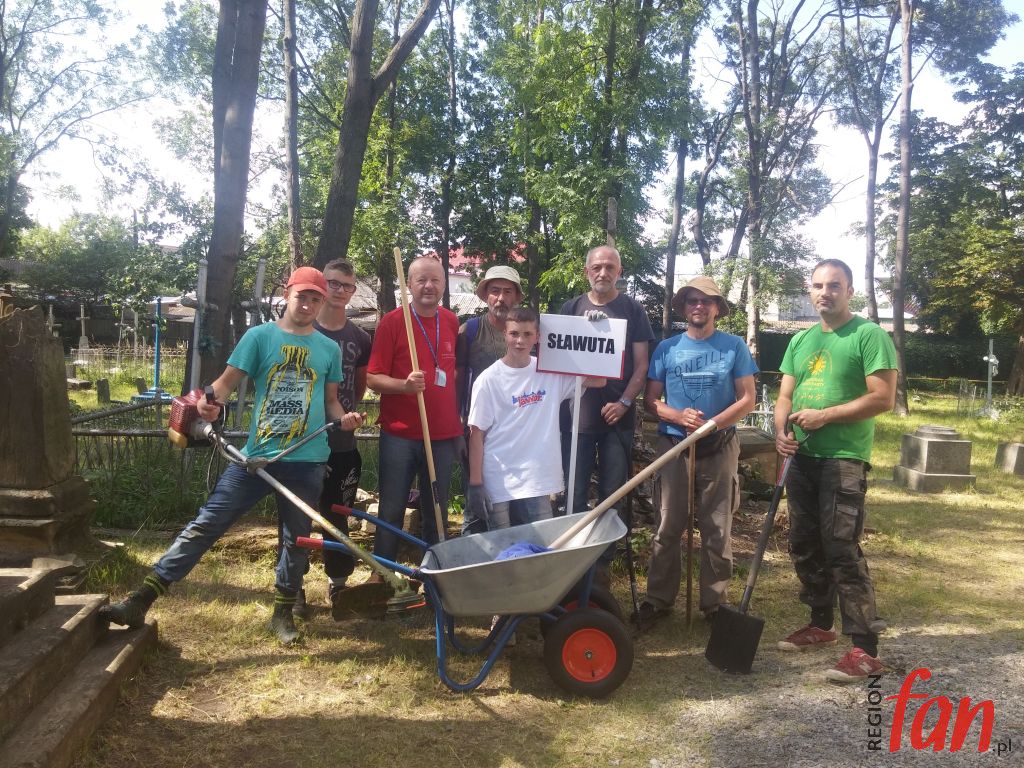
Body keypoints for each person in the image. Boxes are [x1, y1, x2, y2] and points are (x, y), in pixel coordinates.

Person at [99, 266, 364, 645]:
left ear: (322, 303)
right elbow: (221, 388)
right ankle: (142, 597)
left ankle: (282, 613)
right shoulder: (259, 338)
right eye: (301, 295)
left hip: (307, 461)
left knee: (296, 540)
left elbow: (331, 401)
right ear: (287, 295)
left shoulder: (329, 349)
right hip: (255, 460)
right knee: (207, 524)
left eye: (315, 298)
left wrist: (346, 419)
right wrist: (209, 406)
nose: (307, 304)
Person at [774, 258, 896, 684]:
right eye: (818, 285)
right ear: (810, 291)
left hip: (844, 457)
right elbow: (784, 395)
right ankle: (820, 624)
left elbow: (883, 399)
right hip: (801, 458)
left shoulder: (869, 335)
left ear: (849, 290)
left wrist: (826, 416)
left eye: (834, 285)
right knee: (804, 542)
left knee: (841, 546)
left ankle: (865, 648)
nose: (825, 292)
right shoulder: (801, 340)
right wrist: (780, 433)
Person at [632, 276, 757, 631]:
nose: (698, 306)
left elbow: (748, 399)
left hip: (718, 446)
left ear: (717, 307)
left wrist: (712, 424)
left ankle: (715, 604)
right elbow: (650, 400)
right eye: (691, 301)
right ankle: (658, 600)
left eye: (706, 301)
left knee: (718, 527)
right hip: (674, 446)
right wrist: (676, 415)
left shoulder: (733, 346)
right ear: (683, 308)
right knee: (667, 526)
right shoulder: (667, 349)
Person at [559, 245, 654, 582]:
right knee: (574, 495)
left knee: (612, 496)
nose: (603, 272)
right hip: (576, 421)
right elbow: (556, 361)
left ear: (619, 270)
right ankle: (571, 565)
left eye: (609, 266)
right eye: (597, 266)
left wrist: (625, 402)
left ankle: (601, 571)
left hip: (618, 419)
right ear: (587, 271)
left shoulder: (632, 309)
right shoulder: (570, 309)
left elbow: (642, 364)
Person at [466, 307, 605, 530]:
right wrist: (475, 483)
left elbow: (599, 380)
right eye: (514, 334)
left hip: (537, 478)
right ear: (505, 334)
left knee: (540, 548)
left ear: (538, 337)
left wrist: (594, 329)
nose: (520, 341)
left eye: (527, 334)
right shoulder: (488, 380)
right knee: (502, 548)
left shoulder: (549, 371)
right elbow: (477, 434)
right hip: (498, 478)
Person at [366, 256, 461, 563]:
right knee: (392, 507)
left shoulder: (451, 321)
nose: (429, 286)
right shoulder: (393, 322)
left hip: (443, 434)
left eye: (435, 280)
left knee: (436, 507)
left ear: (444, 285)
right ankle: (383, 573)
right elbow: (372, 378)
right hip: (401, 434)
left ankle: (436, 574)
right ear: (409, 284)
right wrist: (404, 386)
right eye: (421, 280)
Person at [302, 258, 372, 615]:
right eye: (333, 283)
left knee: (336, 514)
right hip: (299, 441)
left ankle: (339, 585)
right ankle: (293, 585)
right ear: (321, 285)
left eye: (347, 285)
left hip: (341, 442)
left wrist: (346, 414)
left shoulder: (359, 338)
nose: (340, 291)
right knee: (296, 514)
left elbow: (358, 386)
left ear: (353, 290)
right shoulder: (302, 328)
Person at [456, 265, 523, 533]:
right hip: (478, 431)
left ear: (517, 297)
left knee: (516, 503)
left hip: (518, 432)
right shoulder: (469, 331)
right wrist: (456, 424)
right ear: (485, 296)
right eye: (495, 291)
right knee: (476, 502)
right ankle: (471, 565)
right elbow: (458, 379)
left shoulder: (528, 332)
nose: (501, 298)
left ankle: (510, 563)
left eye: (508, 291)